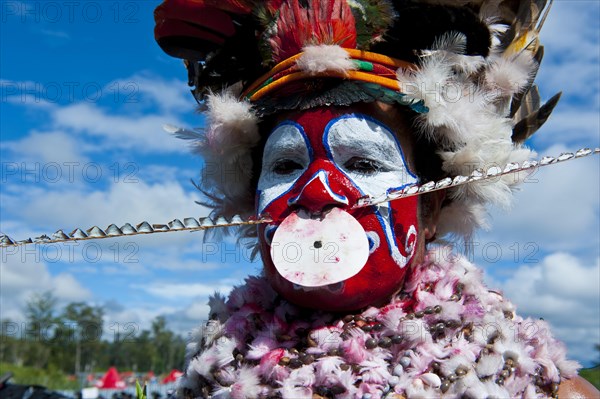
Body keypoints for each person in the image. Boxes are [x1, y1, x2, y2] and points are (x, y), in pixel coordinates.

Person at [154, 0, 598, 397]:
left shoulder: (530, 381)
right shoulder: (211, 375)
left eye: (364, 164)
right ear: (252, 202)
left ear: (433, 207)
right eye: (286, 166)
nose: (316, 191)